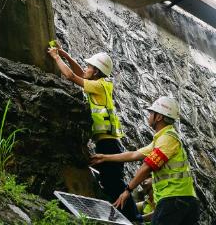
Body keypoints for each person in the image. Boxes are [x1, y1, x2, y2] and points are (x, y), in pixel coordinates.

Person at [47, 44, 140, 222]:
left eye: (90, 67)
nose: (86, 68)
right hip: (107, 141)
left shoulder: (98, 86)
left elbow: (71, 75)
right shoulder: (101, 83)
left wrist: (56, 57)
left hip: (108, 144)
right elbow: (81, 73)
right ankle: (127, 217)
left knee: (113, 183)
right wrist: (65, 54)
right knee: (110, 181)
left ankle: (134, 218)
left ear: (96, 72)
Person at [91, 96, 199, 225]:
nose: (149, 116)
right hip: (182, 200)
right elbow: (133, 155)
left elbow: (147, 167)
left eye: (151, 113)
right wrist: (104, 157)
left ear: (159, 117)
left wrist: (127, 190)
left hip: (174, 200)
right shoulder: (161, 139)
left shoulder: (167, 139)